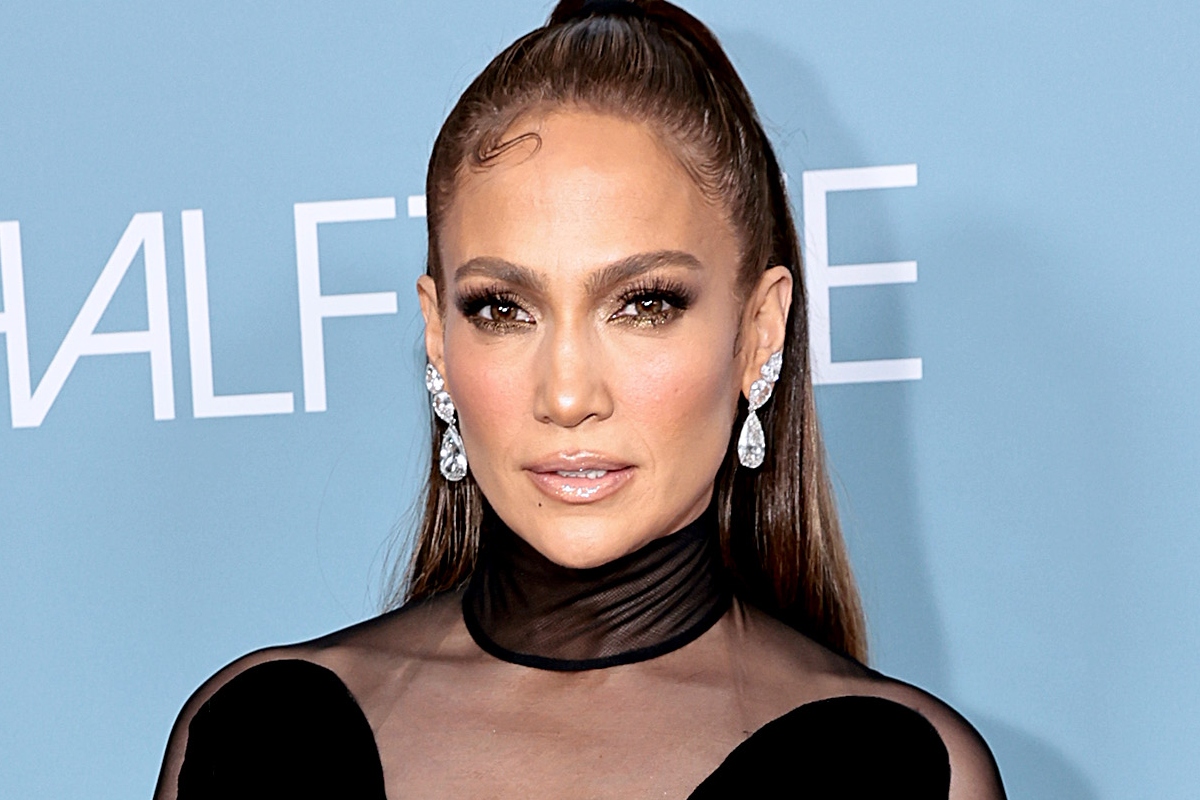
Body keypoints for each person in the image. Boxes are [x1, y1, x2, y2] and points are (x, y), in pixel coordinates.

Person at [154, 1, 1006, 797]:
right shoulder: (256, 738)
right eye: (503, 310)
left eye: (644, 305)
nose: (566, 395)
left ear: (758, 332)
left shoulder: (902, 772)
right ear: (439, 338)